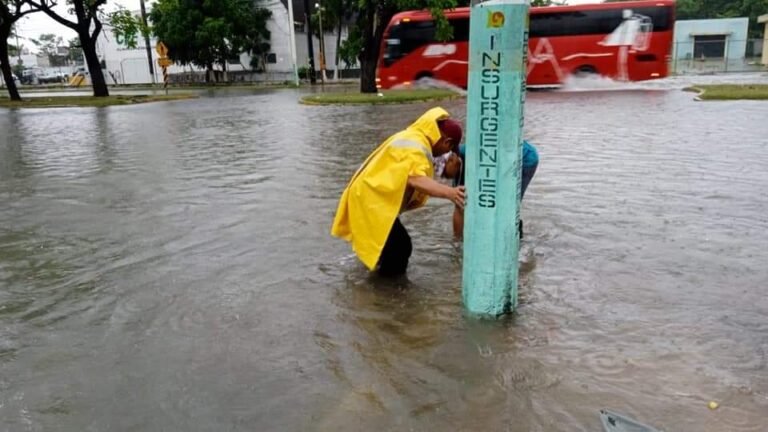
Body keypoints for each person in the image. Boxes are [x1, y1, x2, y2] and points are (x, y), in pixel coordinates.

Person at [331, 107, 466, 276]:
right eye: (448, 151)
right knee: (400, 247)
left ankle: (376, 286)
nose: (445, 154)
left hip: (369, 197)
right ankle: (384, 295)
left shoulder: (413, 136)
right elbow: (415, 179)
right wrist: (450, 193)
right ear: (447, 143)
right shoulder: (418, 148)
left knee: (391, 247)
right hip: (372, 202)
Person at [443, 140, 539, 239]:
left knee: (507, 206)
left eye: (443, 172)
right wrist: (457, 242)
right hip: (501, 158)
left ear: (452, 160)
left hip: (525, 159)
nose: (443, 177)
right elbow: (459, 206)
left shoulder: (468, 156)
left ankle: (514, 241)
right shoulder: (457, 163)